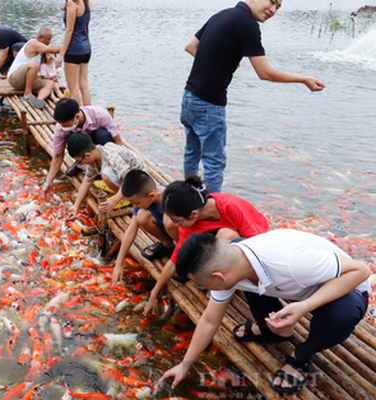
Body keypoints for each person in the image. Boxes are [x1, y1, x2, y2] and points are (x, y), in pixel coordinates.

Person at [162, 230, 370, 395]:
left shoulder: (291, 260)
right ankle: (277, 331)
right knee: (248, 276)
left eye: (203, 284)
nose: (205, 288)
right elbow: (209, 320)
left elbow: (361, 271)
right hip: (294, 285)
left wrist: (305, 306)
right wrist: (185, 364)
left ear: (219, 276)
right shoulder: (233, 262)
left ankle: (302, 355)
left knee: (341, 316)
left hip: (345, 286)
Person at [181, 0, 325, 193]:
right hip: (208, 103)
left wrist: (221, 60)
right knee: (214, 161)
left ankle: (187, 197)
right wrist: (303, 79)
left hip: (189, 97)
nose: (273, 10)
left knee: (192, 152)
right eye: (272, 2)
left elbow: (191, 47)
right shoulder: (247, 23)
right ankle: (212, 212)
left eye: (278, 7)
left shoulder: (222, 14)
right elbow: (264, 72)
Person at [142, 175, 269, 315]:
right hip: (227, 248)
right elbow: (174, 261)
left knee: (225, 234)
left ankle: (229, 282)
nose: (177, 225)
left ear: (193, 214)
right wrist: (154, 293)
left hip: (254, 244)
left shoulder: (231, 207)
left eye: (178, 221)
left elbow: (259, 246)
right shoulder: (190, 224)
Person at [41, 98, 124, 200]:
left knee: (102, 134)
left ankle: (102, 165)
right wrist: (48, 182)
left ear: (77, 117)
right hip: (83, 148)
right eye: (61, 125)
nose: (63, 127)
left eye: (66, 125)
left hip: (101, 147)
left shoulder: (100, 115)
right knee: (71, 137)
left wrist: (117, 166)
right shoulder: (61, 127)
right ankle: (83, 162)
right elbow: (58, 155)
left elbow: (118, 141)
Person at [112, 170, 175, 285]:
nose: (135, 206)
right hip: (170, 229)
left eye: (137, 203)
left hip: (187, 233)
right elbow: (130, 232)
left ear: (151, 196)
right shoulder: (146, 200)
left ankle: (185, 255)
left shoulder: (173, 199)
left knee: (170, 221)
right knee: (141, 215)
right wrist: (119, 263)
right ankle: (168, 245)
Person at [66, 133, 146, 218]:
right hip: (127, 175)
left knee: (105, 175)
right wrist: (76, 206)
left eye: (79, 161)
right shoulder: (95, 156)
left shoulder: (111, 156)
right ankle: (120, 191)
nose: (80, 163)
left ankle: (125, 197)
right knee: (102, 178)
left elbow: (128, 178)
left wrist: (114, 201)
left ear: (87, 155)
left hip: (139, 179)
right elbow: (86, 183)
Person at [7, 27, 61, 109]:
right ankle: (27, 93)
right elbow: (52, 49)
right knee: (34, 64)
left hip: (28, 80)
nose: (49, 42)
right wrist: (70, 46)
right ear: (40, 38)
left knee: (50, 83)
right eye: (48, 39)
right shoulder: (33, 44)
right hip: (15, 79)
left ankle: (38, 100)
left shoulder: (40, 47)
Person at [56, 0, 91, 105]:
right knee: (84, 85)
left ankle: (79, 117)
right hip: (86, 48)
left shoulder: (72, 4)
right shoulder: (86, 2)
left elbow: (69, 30)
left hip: (74, 50)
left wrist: (61, 54)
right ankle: (89, 114)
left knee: (73, 87)